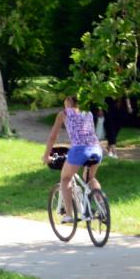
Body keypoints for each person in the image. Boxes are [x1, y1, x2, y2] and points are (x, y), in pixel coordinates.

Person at [42, 95, 103, 223]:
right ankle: (103, 206)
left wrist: (46, 155)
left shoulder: (64, 113)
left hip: (79, 150)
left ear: (68, 100)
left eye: (65, 99)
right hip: (96, 149)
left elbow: (53, 136)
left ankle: (69, 214)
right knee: (90, 178)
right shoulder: (88, 113)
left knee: (65, 178)